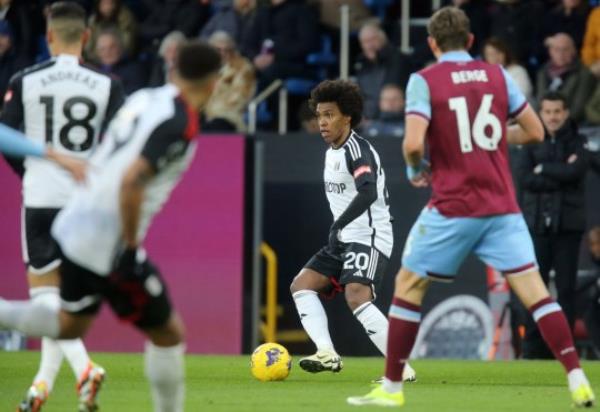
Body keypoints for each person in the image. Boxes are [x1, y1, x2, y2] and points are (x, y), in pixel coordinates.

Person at [347, 7, 595, 408]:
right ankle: (577, 378)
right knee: (537, 293)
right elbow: (534, 131)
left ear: (431, 43)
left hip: (453, 206)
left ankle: (392, 389)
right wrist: (492, 140)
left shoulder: (423, 80)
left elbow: (412, 144)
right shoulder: (497, 76)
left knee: (409, 286)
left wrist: (415, 167)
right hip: (502, 207)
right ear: (469, 41)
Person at [0, 40, 221, 412]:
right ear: (215, 80)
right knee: (168, 334)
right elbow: (132, 181)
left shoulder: (144, 98)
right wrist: (130, 247)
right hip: (107, 239)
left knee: (69, 325)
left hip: (75, 219)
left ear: (174, 69)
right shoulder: (180, 121)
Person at [0, 3, 125, 411]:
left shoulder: (26, 79)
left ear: (49, 36)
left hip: (40, 198)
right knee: (60, 301)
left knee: (45, 296)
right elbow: (123, 143)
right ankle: (40, 387)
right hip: (85, 201)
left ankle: (85, 367)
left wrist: (32, 171)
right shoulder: (105, 84)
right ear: (87, 37)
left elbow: (7, 138)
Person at [289, 79, 416, 381]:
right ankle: (327, 353)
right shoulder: (332, 150)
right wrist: (341, 229)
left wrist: (339, 223)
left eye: (329, 114)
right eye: (319, 115)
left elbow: (368, 191)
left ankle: (401, 370)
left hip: (369, 235)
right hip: (344, 237)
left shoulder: (357, 150)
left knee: (357, 296)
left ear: (347, 116)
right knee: (302, 285)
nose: (322, 122)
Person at [517, 92, 588, 359]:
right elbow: (524, 179)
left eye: (557, 111)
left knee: (567, 291)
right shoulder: (530, 141)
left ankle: (564, 352)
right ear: (540, 114)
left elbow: (576, 172)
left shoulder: (579, 142)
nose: (552, 117)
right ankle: (531, 350)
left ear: (566, 112)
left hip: (568, 228)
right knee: (535, 289)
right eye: (547, 112)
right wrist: (559, 171)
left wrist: (543, 169)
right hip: (537, 226)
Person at [354, 21, 411, 120]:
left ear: (383, 39)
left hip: (393, 118)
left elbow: (393, 95)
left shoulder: (398, 59)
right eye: (365, 42)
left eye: (373, 40)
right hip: (367, 121)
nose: (369, 45)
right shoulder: (362, 65)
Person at [535, 32, 596, 122]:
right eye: (557, 49)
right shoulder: (543, 72)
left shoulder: (584, 74)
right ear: (550, 51)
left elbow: (578, 109)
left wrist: (555, 123)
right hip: (544, 125)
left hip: (573, 125)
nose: (561, 54)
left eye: (565, 49)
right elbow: (539, 102)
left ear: (573, 51)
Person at [204, 30, 256, 132]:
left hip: (229, 116)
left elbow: (241, 97)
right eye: (218, 50)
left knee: (215, 125)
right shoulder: (205, 69)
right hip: (205, 117)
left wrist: (213, 112)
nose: (223, 53)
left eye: (227, 50)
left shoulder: (242, 68)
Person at [94, 28, 146, 95]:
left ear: (120, 47)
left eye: (112, 47)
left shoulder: (134, 69)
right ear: (97, 52)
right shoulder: (92, 70)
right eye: (102, 49)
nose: (107, 52)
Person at [483, 37, 533, 102]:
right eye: (490, 54)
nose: (495, 57)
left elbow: (521, 98)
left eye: (498, 52)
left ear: (505, 53)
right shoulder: (483, 76)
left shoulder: (518, 71)